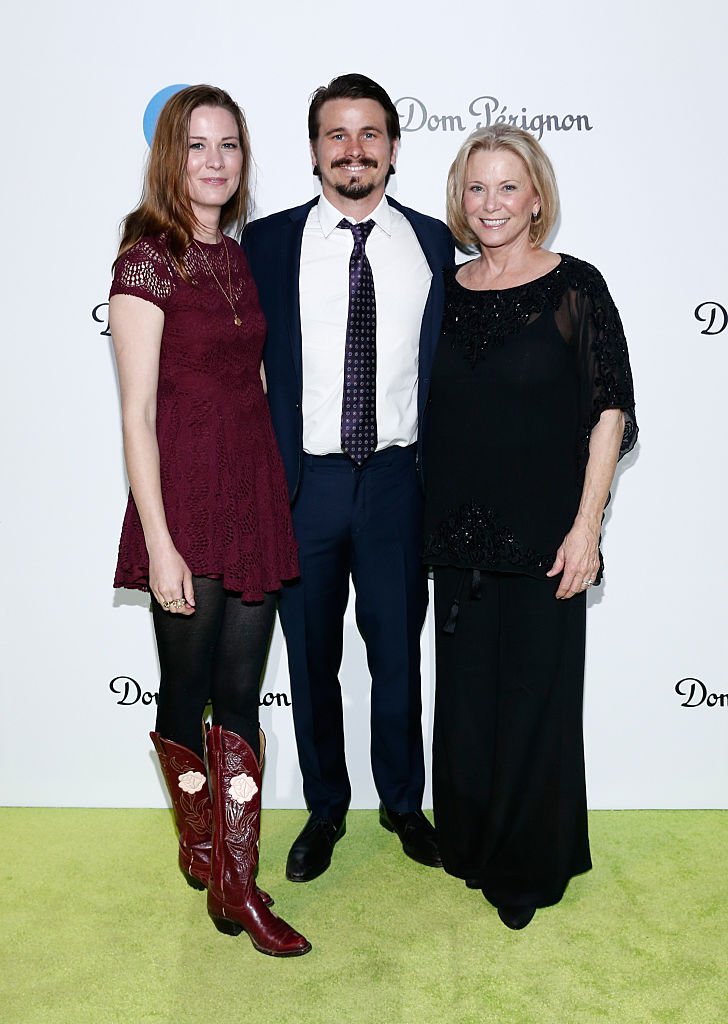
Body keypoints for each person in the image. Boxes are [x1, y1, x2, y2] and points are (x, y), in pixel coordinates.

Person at [109, 84, 310, 956]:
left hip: (252, 487)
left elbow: (255, 377)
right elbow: (135, 412)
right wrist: (159, 541)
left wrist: (276, 482)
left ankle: (237, 882)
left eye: (229, 145)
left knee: (240, 691)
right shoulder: (145, 260)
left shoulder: (238, 257)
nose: (216, 161)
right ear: (170, 157)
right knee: (186, 689)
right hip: (184, 496)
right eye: (198, 146)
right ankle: (202, 847)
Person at [423, 125, 637, 930]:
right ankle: (472, 842)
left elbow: (609, 410)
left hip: (549, 538)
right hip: (457, 536)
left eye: (508, 187)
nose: (491, 204)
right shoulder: (443, 292)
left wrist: (588, 527)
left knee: (535, 699)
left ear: (537, 195)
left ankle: (527, 865)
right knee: (470, 699)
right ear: (461, 197)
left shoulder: (576, 286)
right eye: (477, 188)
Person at [243, 74, 453, 882]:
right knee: (308, 661)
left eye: (370, 134)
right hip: (304, 487)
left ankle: (404, 804)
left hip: (400, 482)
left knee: (400, 654)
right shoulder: (267, 244)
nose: (354, 149)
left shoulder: (435, 244)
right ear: (314, 151)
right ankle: (326, 809)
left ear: (394, 149)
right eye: (337, 134)